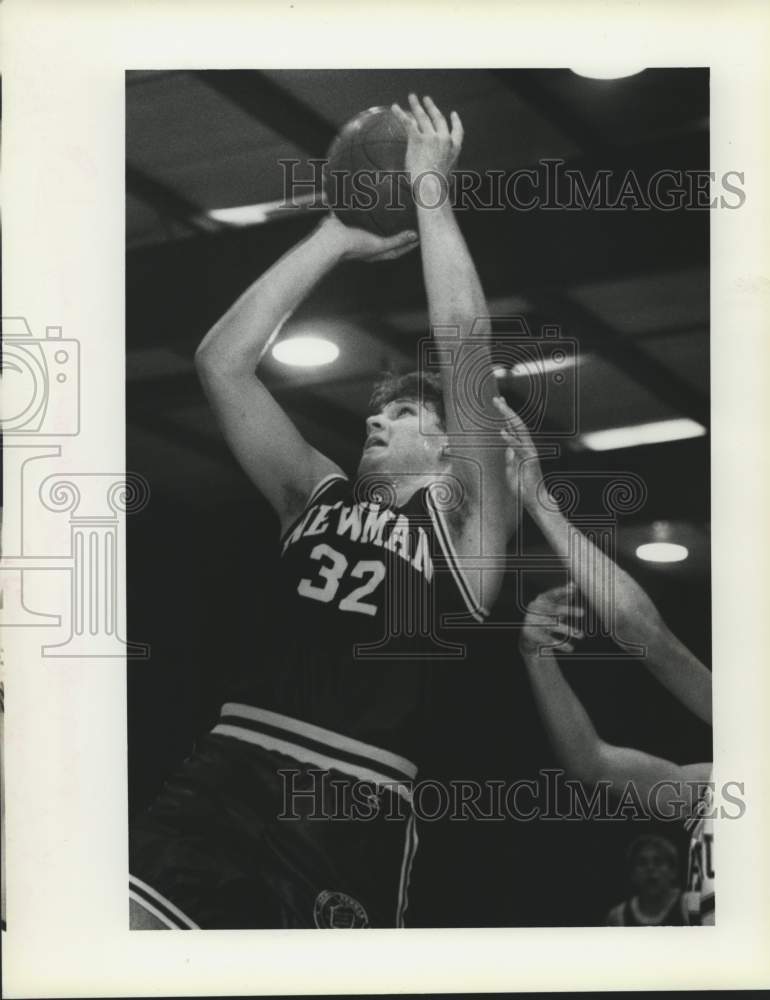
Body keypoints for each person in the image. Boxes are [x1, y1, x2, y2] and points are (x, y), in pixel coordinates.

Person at [129, 94, 512, 929]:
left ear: (452, 446)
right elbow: (222, 364)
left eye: (406, 414)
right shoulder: (313, 491)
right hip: (228, 766)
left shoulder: (469, 529)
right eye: (376, 412)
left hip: (352, 805)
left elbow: (463, 341)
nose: (377, 418)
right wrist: (335, 235)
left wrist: (428, 194)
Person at [499, 398, 714, 926]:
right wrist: (538, 655)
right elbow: (590, 763)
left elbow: (646, 637)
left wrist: (539, 498)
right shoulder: (714, 785)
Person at [606, 834, 688, 926]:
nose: (650, 868)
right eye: (642, 863)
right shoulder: (618, 916)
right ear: (633, 874)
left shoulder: (689, 907)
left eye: (658, 862)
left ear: (673, 871)